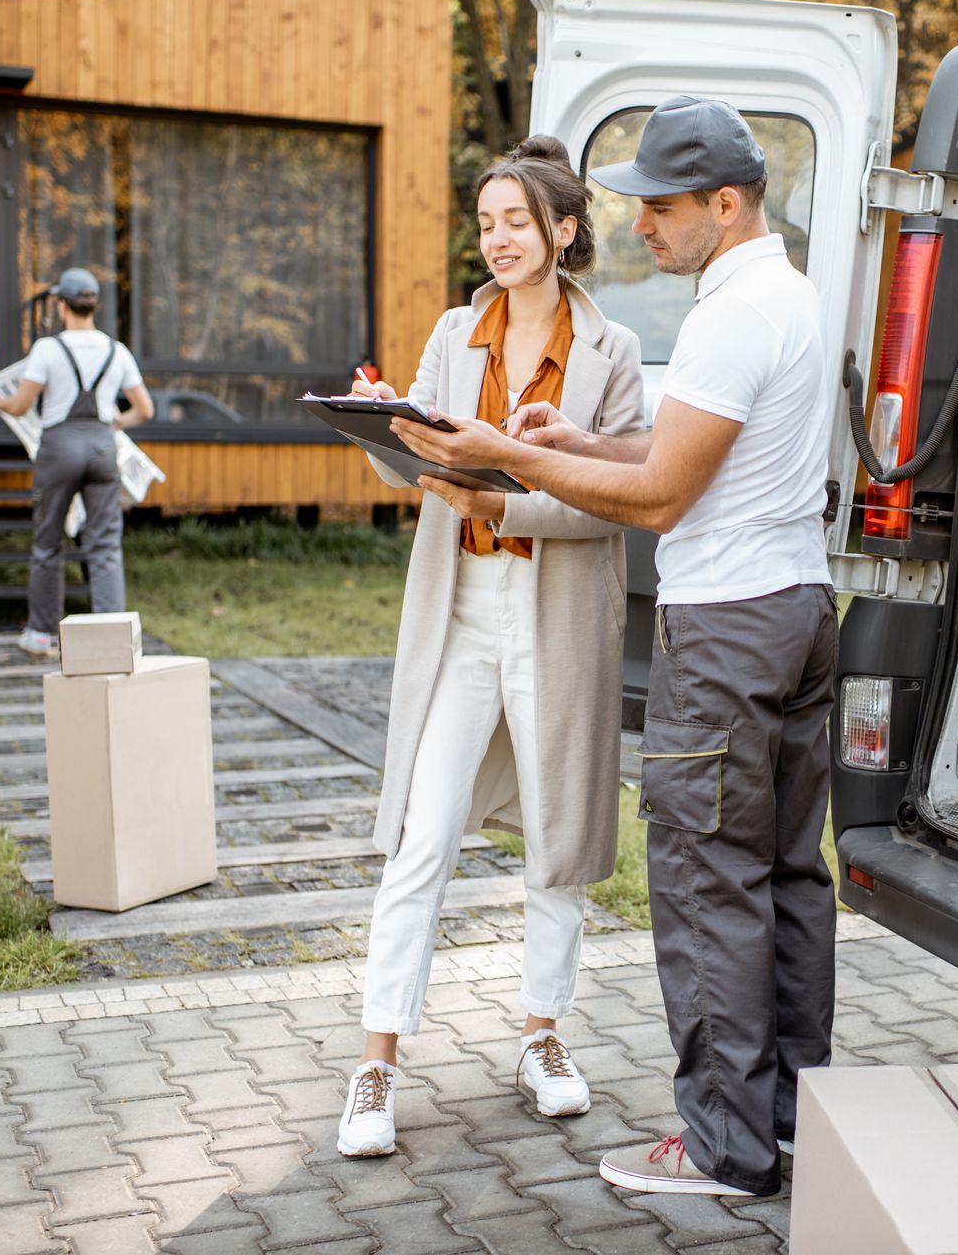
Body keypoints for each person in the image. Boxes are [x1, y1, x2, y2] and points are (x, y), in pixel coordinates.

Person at [392, 97, 837, 1199]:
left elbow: (660, 494)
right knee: (785, 877)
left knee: (706, 887)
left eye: (663, 209)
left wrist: (511, 456)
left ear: (725, 204)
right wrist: (580, 437)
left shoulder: (731, 314)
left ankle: (725, 1149)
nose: (641, 226)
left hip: (727, 633)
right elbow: (679, 449)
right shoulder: (785, 293)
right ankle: (790, 1120)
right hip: (793, 611)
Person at [333, 136, 647, 1159]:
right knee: (424, 834)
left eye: (517, 221)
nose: (498, 239)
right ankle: (376, 1062)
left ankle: (542, 1035)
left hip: (556, 616)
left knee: (557, 838)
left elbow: (618, 503)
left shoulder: (617, 355)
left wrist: (507, 504)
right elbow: (414, 468)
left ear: (562, 232)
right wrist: (386, 428)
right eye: (486, 223)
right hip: (461, 611)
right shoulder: (454, 331)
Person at [0, 268, 153, 658]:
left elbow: (20, 406)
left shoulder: (48, 349)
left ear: (61, 305)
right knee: (104, 545)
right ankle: (112, 642)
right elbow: (145, 409)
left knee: (49, 542)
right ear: (94, 305)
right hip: (103, 447)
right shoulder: (116, 350)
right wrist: (116, 421)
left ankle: (41, 635)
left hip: (59, 448)